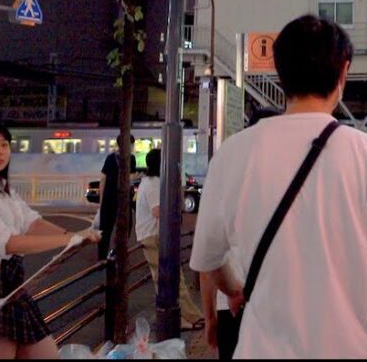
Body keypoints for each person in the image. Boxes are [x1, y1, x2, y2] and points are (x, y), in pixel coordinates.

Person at [191, 14, 367, 358]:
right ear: (343, 72)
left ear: (281, 73)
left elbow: (209, 259)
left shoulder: (231, 155)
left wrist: (234, 289)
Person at [0, 120, 101, 359]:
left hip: (11, 287)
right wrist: (67, 240)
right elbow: (8, 243)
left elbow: (30, 221)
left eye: (4, 144)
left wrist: (71, 236)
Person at [201, 109, 281, 360]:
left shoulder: (227, 177)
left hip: (232, 307)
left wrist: (210, 317)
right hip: (279, 307)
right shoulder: (291, 182)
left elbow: (208, 259)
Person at [136, 148, 205, 330]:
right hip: (154, 236)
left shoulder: (150, 182)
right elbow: (157, 211)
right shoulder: (153, 184)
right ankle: (189, 317)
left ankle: (182, 317)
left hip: (152, 235)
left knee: (168, 280)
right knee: (172, 279)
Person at [95, 150, 136, 260]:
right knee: (126, 227)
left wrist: (101, 201)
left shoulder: (110, 158)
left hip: (108, 199)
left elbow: (103, 179)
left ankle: (102, 257)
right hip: (123, 201)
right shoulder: (131, 158)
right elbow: (130, 178)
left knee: (105, 230)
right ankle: (117, 253)